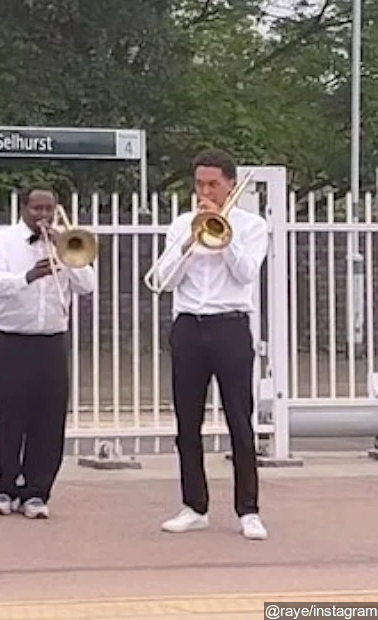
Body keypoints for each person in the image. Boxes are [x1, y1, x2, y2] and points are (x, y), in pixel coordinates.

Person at [152, 149, 268, 541]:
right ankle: (193, 505)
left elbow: (246, 272)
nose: (205, 191)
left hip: (231, 326)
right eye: (200, 184)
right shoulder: (182, 224)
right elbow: (164, 280)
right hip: (188, 326)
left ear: (230, 184)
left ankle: (248, 510)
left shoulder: (252, 226)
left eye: (213, 184)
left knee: (239, 419)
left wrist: (223, 235)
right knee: (187, 421)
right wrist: (190, 239)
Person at [0, 185, 95, 519]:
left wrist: (68, 254)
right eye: (37, 209)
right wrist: (29, 276)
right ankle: (4, 488)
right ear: (22, 208)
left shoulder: (64, 241)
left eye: (49, 209)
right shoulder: (0, 242)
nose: (43, 216)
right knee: (11, 415)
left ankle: (37, 492)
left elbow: (87, 286)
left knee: (49, 418)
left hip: (51, 340)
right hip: (8, 339)